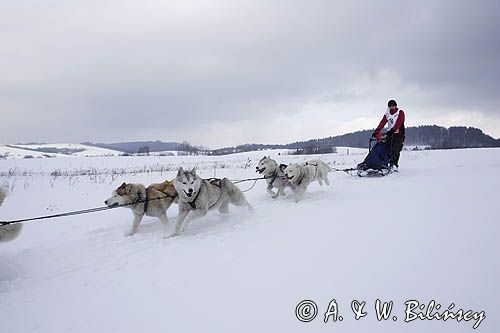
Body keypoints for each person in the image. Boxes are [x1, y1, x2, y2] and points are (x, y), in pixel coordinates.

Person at [372, 99, 405, 172]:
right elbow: (382, 122)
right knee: (388, 149)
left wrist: (392, 131)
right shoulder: (387, 113)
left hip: (399, 134)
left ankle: (394, 165)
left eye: (393, 106)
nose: (392, 107)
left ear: (395, 106)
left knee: (395, 150)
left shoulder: (400, 112)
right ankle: (386, 163)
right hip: (390, 134)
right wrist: (377, 130)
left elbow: (399, 122)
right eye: (390, 106)